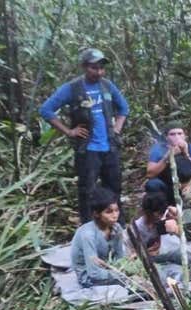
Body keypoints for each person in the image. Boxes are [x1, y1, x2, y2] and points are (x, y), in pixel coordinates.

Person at [40, 48, 129, 224]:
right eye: (94, 68)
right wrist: (69, 131)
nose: (99, 72)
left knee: (114, 189)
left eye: (102, 68)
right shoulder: (72, 89)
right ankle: (89, 228)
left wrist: (117, 128)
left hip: (110, 147)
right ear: (84, 67)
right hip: (88, 150)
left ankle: (118, 227)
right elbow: (46, 110)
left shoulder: (107, 86)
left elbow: (124, 108)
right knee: (87, 191)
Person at [130, 192, 191, 290]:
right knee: (167, 273)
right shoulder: (136, 227)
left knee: (190, 256)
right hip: (152, 260)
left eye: (160, 214)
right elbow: (132, 256)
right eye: (154, 215)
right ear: (145, 212)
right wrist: (145, 253)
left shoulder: (167, 216)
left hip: (169, 253)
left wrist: (179, 217)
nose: (158, 217)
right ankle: (187, 285)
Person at [71, 187, 124, 287]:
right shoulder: (88, 235)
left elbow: (120, 256)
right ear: (96, 214)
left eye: (117, 210)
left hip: (110, 268)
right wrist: (120, 275)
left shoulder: (117, 228)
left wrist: (123, 268)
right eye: (109, 212)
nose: (115, 215)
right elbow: (93, 273)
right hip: (89, 276)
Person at [145, 121, 191, 203]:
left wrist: (186, 154)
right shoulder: (158, 148)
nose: (176, 137)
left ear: (184, 136)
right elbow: (150, 174)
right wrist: (168, 156)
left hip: (186, 184)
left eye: (180, 133)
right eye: (172, 134)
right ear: (166, 137)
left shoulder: (190, 147)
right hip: (166, 184)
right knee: (152, 185)